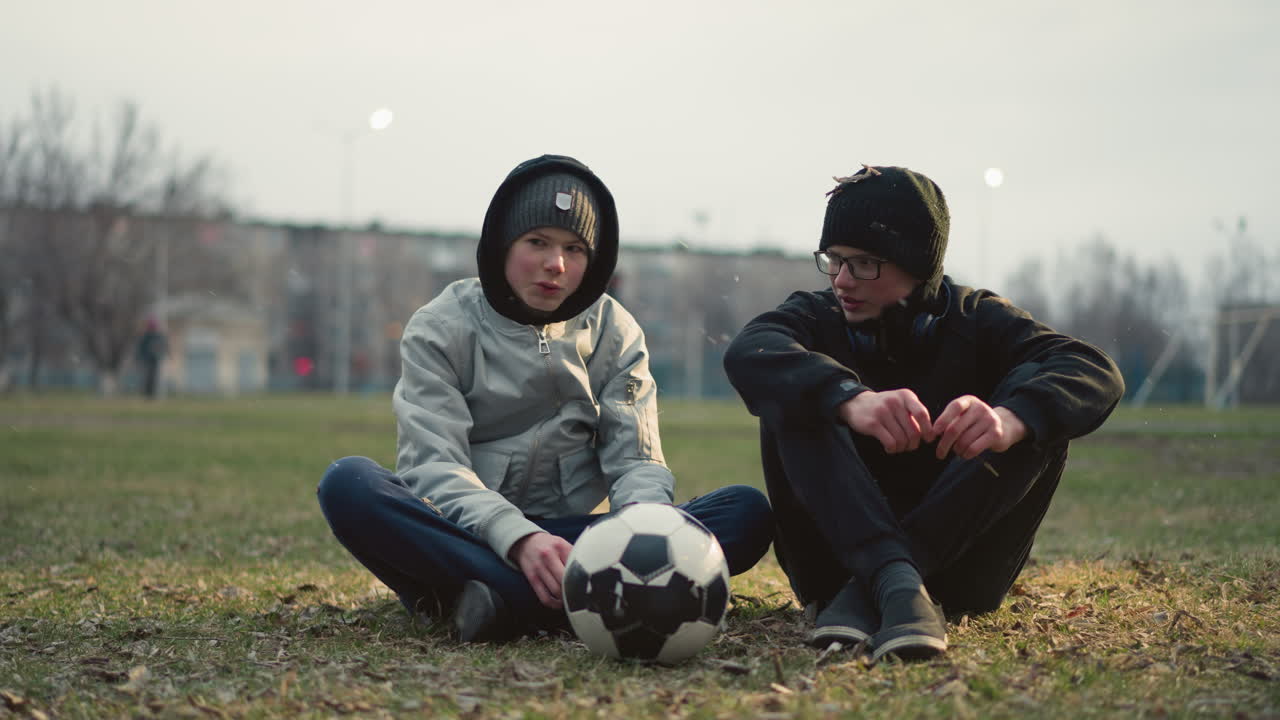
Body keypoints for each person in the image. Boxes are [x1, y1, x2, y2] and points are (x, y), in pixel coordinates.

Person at [317, 154, 773, 643]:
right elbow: (434, 466)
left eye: (574, 249)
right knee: (350, 484)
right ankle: (568, 600)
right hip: (467, 532)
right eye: (537, 242)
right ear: (501, 244)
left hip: (580, 540)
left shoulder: (614, 331)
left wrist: (644, 538)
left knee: (743, 512)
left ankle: (496, 602)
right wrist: (519, 538)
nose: (555, 265)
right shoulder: (439, 327)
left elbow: (637, 460)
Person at [723, 164, 1124, 662]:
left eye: (866, 263)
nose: (844, 280)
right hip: (830, 570)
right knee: (796, 391)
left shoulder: (980, 320)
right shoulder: (815, 314)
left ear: (917, 266)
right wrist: (850, 398)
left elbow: (1093, 368)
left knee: (1036, 403)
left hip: (959, 579)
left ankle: (890, 579)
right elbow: (749, 351)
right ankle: (892, 580)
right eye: (834, 260)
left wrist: (1008, 420)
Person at [136, 317, 167, 398]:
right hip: (146, 360)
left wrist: (162, 354)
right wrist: (139, 358)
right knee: (146, 378)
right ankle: (146, 395)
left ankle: (154, 395)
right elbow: (141, 348)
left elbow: (164, 347)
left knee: (155, 379)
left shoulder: (159, 337)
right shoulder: (145, 337)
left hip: (156, 360)